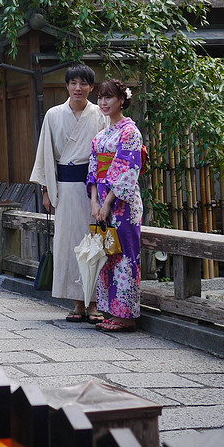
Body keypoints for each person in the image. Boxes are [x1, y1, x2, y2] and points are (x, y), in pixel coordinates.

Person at [30, 64, 108, 322]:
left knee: (94, 243)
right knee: (70, 243)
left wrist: (105, 194)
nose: (78, 88)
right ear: (66, 86)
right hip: (64, 188)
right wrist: (46, 190)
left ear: (91, 87)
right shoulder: (53, 115)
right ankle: (77, 303)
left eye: (83, 84)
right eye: (73, 83)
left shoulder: (100, 115)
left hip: (93, 190)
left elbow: (107, 155)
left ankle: (94, 303)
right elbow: (45, 155)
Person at [86, 79, 144, 332]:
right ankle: (110, 310)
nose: (103, 102)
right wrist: (94, 202)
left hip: (124, 204)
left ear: (121, 100)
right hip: (102, 203)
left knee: (125, 256)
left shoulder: (130, 131)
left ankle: (127, 316)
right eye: (100, 97)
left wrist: (108, 202)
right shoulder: (101, 135)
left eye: (109, 97)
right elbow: (93, 170)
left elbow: (126, 169)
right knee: (107, 255)